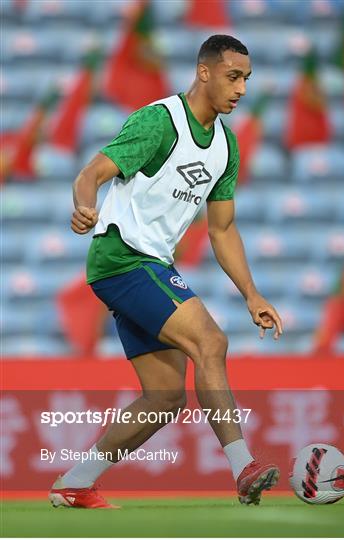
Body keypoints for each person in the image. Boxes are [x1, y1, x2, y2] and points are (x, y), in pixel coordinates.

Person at [49, 34, 283, 509]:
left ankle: (73, 483)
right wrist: (84, 208)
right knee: (211, 342)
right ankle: (244, 467)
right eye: (232, 76)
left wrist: (251, 295)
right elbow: (90, 173)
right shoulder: (160, 121)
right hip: (123, 256)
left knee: (165, 397)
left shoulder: (225, 147)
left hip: (148, 263)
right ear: (204, 72)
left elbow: (223, 230)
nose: (241, 89)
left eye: (246, 80)